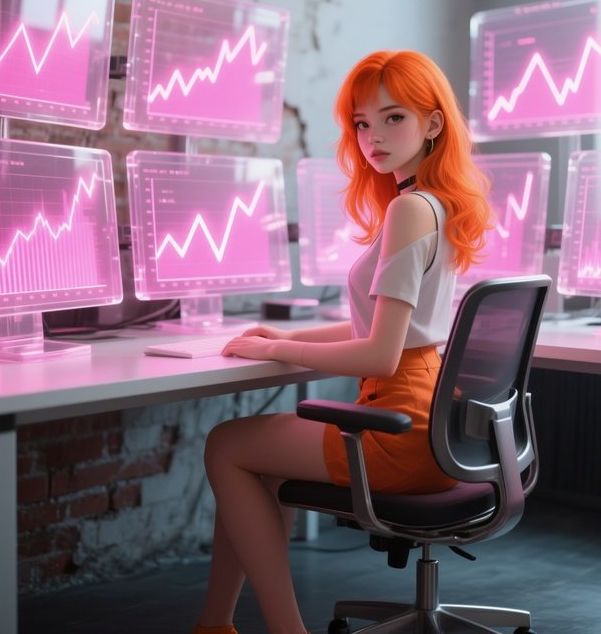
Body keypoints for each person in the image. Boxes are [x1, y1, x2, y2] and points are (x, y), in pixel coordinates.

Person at [192, 50, 491, 634]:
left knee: (226, 444)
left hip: (399, 432)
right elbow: (389, 331)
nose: (372, 136)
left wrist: (280, 351)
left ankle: (283, 630)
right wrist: (289, 334)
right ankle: (214, 623)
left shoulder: (410, 208)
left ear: (433, 124)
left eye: (393, 118)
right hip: (437, 429)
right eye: (361, 122)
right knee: (259, 462)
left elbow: (380, 355)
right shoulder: (436, 203)